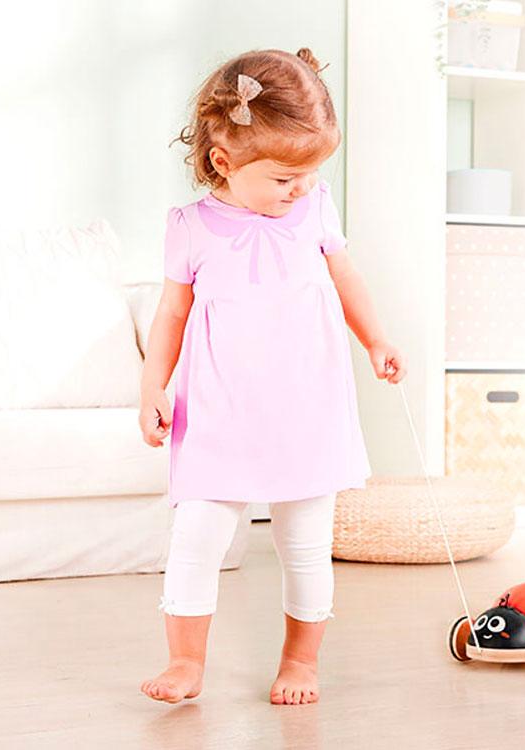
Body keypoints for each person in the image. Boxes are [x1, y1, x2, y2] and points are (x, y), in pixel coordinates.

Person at [138, 47, 407, 706]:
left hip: (307, 411)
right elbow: (172, 313)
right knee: (197, 535)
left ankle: (301, 662)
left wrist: (375, 340)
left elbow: (345, 276)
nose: (302, 188)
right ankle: (185, 663)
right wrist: (153, 387)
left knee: (305, 543)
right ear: (224, 162)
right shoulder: (192, 227)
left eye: (313, 173)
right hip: (219, 414)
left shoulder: (314, 209)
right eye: (286, 178)